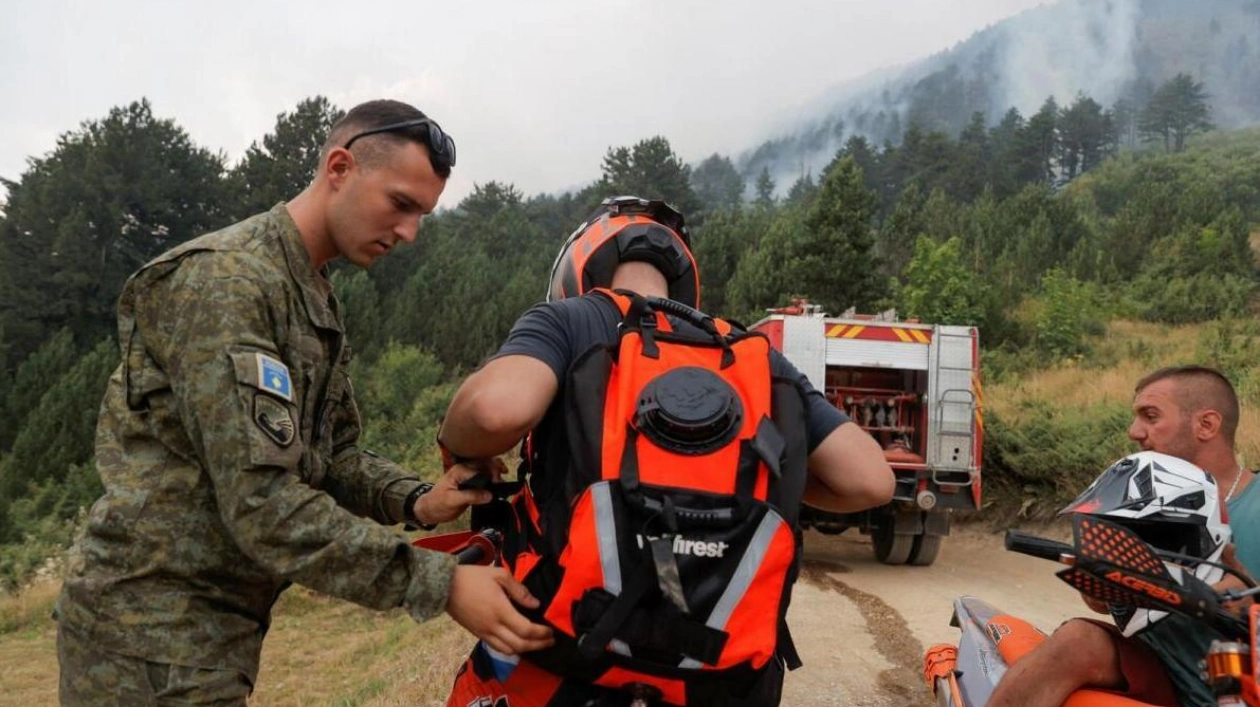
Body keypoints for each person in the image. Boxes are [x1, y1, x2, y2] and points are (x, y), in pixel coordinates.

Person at [55, 99, 552, 706]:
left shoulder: (310, 296)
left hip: (212, 626)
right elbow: (263, 506)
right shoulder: (226, 284)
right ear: (339, 168)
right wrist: (440, 582)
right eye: (400, 204)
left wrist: (419, 500)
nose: (409, 233)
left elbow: (331, 456)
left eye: (422, 214)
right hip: (147, 631)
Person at [437, 196, 896, 706]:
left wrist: (455, 445)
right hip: (715, 682)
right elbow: (870, 481)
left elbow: (494, 412)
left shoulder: (568, 321)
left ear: (579, 266)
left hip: (562, 659)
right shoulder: (750, 355)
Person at [988, 365, 1260, 707]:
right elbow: (1101, 604)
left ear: (1206, 425)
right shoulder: (1140, 500)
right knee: (1077, 640)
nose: (1134, 432)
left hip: (1243, 685)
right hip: (1162, 670)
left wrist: (1251, 604)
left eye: (1150, 416)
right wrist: (1104, 576)